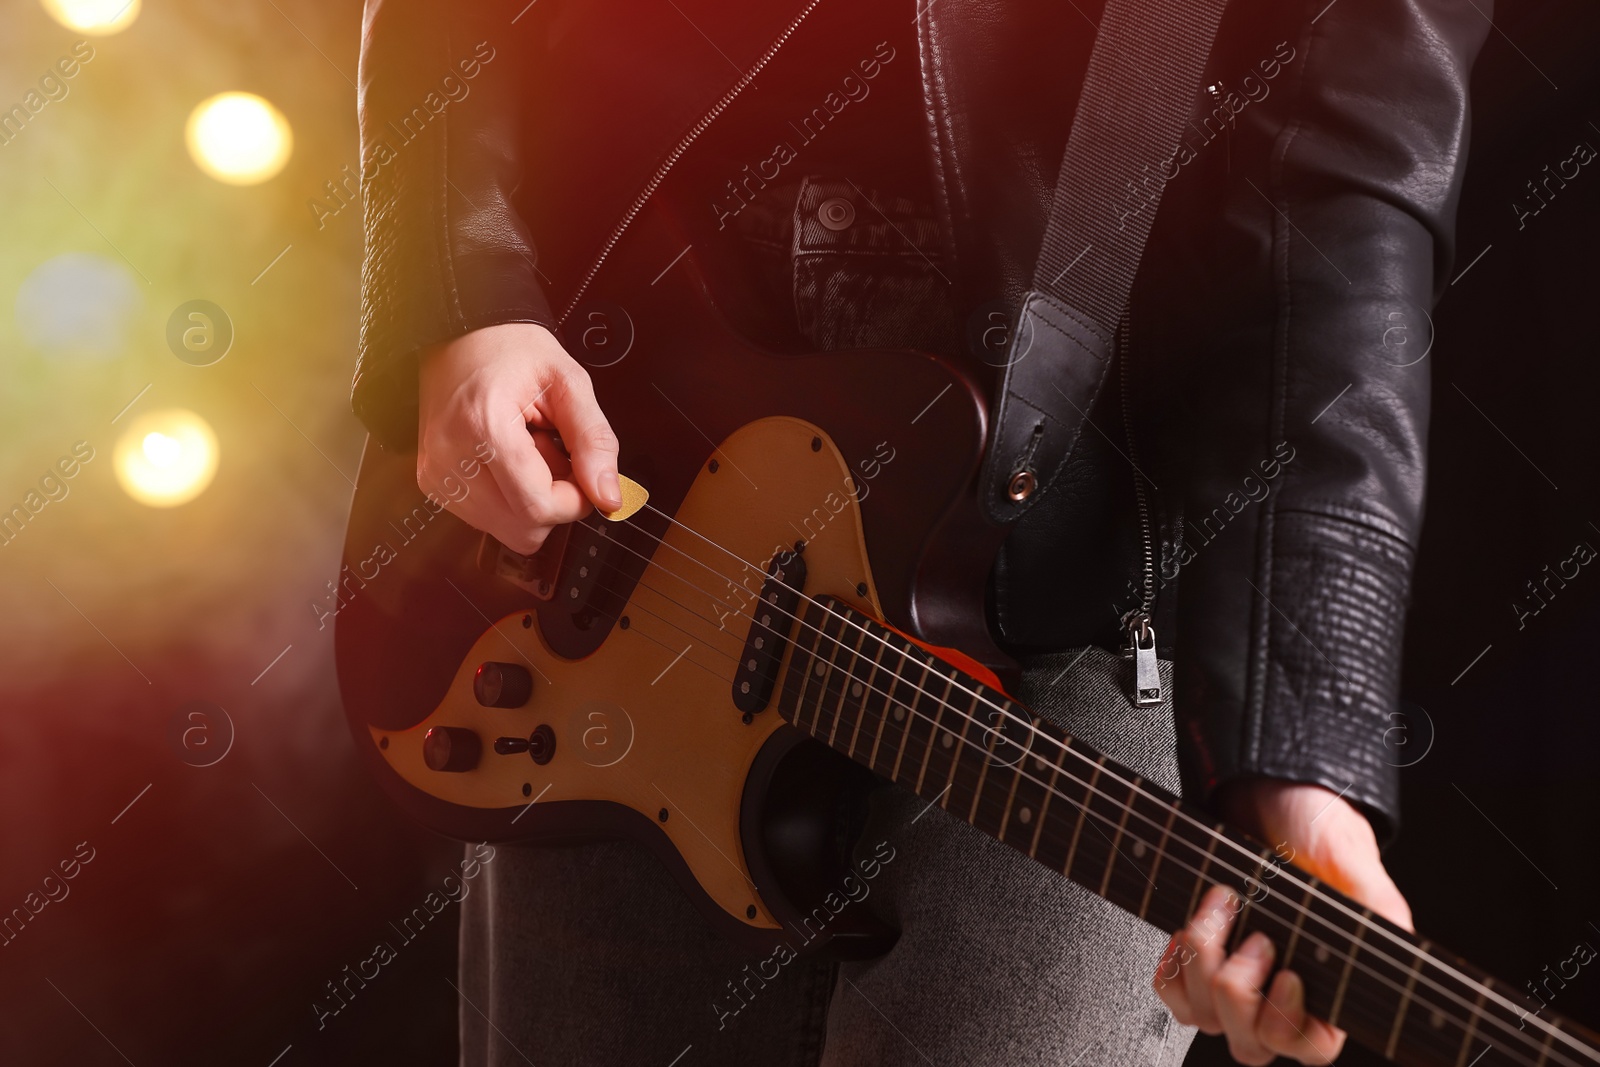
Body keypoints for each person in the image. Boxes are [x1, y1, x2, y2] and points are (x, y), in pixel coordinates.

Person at [351, 0, 1489, 1063]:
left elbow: (1341, 234)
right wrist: (462, 296)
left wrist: (1295, 756)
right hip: (638, 526)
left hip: (1070, 621)